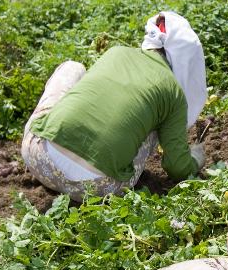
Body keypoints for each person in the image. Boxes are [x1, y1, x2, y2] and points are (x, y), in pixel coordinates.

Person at [21, 12, 207, 201]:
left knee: (73, 68)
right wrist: (197, 159)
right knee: (154, 123)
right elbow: (178, 168)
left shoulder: (116, 51)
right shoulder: (173, 92)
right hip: (97, 189)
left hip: (39, 160)